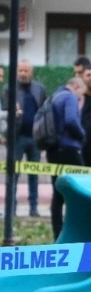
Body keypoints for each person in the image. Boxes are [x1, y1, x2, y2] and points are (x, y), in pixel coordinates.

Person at [2, 60, 47, 216]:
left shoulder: (40, 89)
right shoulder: (9, 89)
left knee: (34, 175)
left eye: (26, 71)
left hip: (35, 139)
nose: (23, 74)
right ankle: (11, 209)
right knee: (13, 174)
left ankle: (33, 208)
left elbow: (44, 111)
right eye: (20, 70)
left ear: (31, 73)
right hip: (16, 138)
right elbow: (5, 111)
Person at [46, 77, 86, 241]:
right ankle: (76, 233)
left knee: (58, 194)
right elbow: (71, 120)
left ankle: (58, 234)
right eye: (80, 95)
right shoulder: (69, 97)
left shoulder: (54, 96)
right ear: (76, 86)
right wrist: (82, 135)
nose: (79, 99)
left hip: (53, 149)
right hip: (69, 149)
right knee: (78, 192)